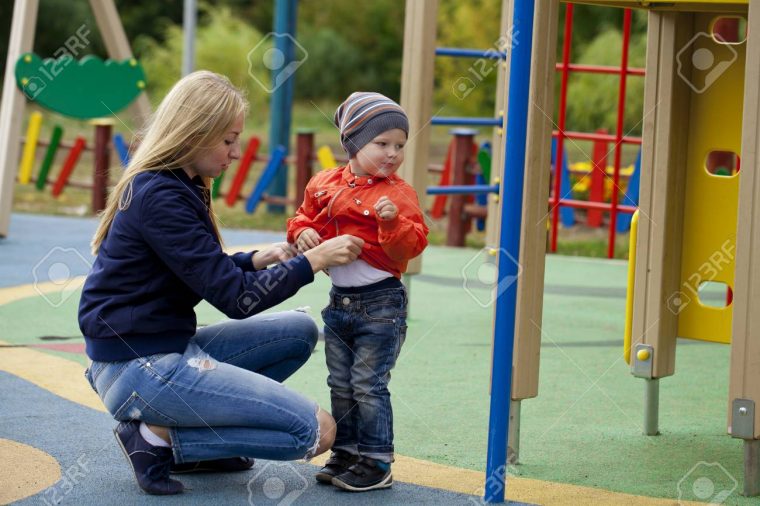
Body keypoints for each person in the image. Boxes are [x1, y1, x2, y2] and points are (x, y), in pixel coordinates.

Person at [78, 70, 365, 496]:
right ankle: (158, 439)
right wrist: (312, 261)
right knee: (316, 433)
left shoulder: (178, 183)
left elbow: (198, 266)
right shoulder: (161, 195)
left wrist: (254, 259)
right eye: (228, 140)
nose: (235, 153)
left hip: (161, 348)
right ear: (194, 134)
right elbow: (237, 299)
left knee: (299, 331)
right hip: (140, 366)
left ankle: (198, 447)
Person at [286, 92, 429, 492]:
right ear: (353, 142)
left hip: (381, 302)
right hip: (339, 303)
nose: (392, 153)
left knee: (369, 382)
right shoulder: (324, 183)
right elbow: (301, 218)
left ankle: (378, 460)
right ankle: (347, 451)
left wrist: (391, 223)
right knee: (341, 382)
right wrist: (302, 233)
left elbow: (413, 246)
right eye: (381, 144)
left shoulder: (398, 195)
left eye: (399, 145)